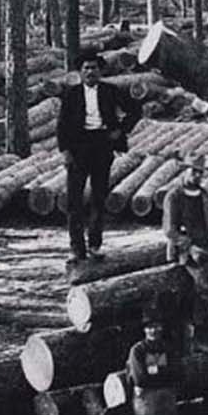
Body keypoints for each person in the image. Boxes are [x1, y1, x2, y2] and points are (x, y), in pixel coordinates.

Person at [56, 46, 140, 263]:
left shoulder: (110, 91)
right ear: (80, 72)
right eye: (86, 68)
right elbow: (62, 125)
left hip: (102, 145)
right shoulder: (71, 95)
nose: (91, 72)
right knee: (74, 201)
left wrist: (120, 130)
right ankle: (76, 248)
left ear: (100, 71)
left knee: (98, 198)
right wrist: (65, 151)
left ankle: (94, 245)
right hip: (78, 147)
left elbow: (135, 109)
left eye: (94, 68)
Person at [163, 154, 208, 345]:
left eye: (200, 173)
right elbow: (170, 230)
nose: (197, 176)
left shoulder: (205, 195)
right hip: (187, 253)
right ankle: (202, 338)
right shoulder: (174, 196)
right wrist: (190, 247)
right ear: (185, 170)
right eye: (193, 171)